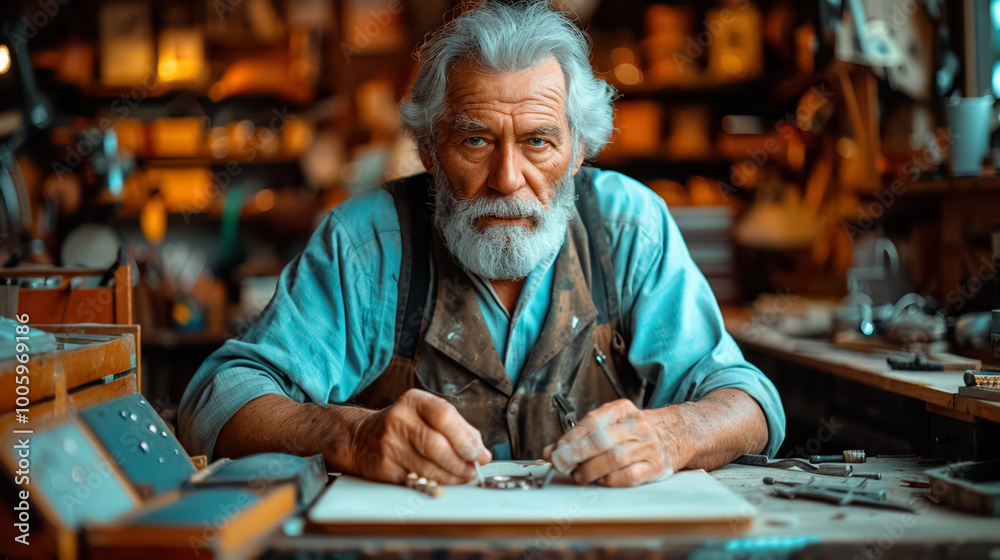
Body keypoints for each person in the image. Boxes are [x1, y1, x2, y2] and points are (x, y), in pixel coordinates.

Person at [179, 1, 785, 488]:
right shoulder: (368, 241)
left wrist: (670, 435)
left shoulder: (628, 225)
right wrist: (350, 436)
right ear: (428, 151)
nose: (507, 179)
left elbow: (748, 402)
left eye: (539, 142)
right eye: (475, 141)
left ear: (577, 153)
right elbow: (217, 398)